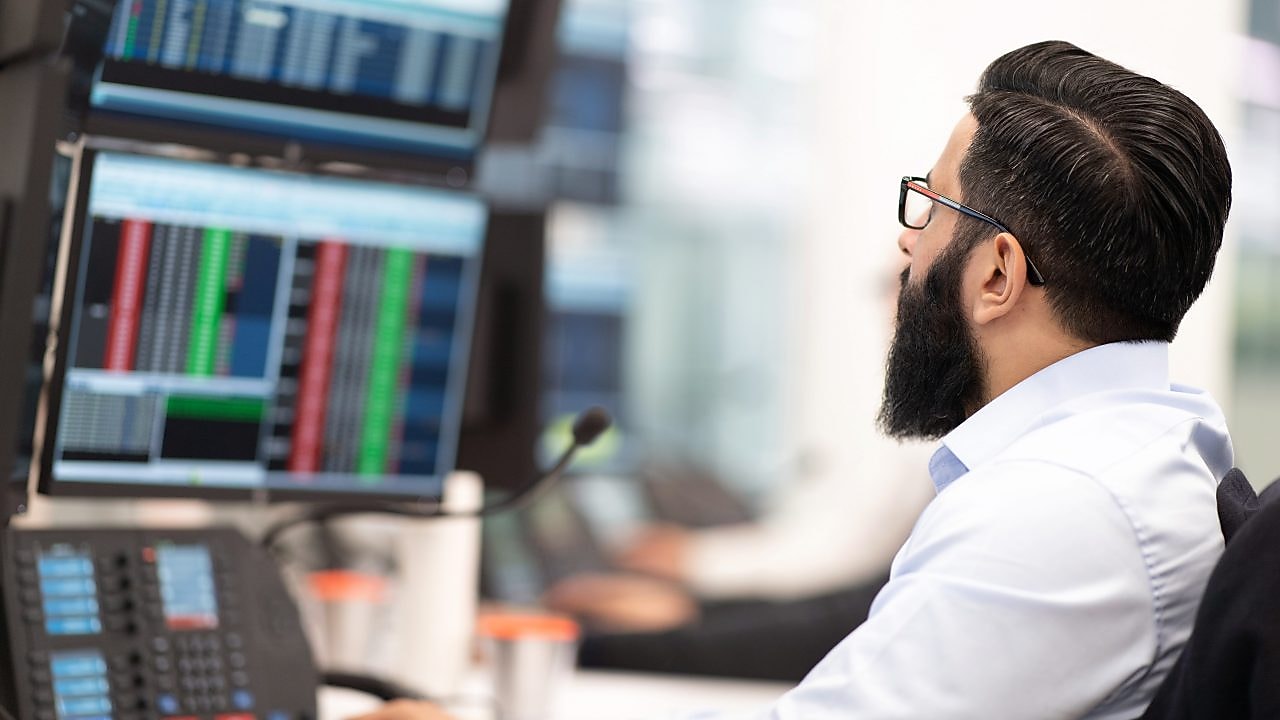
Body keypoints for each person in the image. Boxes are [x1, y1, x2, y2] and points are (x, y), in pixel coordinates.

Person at [348, 39, 1234, 719]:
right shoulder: (1144, 451)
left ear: (998, 275)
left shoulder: (1055, 510)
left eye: (928, 206)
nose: (906, 243)